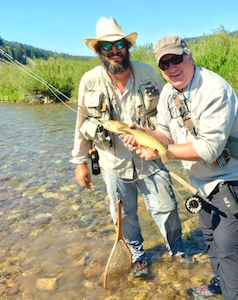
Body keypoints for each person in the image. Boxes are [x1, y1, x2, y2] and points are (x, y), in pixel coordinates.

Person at [123, 35, 238, 299]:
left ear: (190, 57)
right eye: (165, 65)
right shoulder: (168, 94)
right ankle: (221, 285)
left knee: (229, 250)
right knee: (212, 241)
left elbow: (209, 150)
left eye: (176, 60)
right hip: (202, 183)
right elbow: (164, 133)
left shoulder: (214, 90)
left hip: (232, 179)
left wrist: (161, 152)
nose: (172, 68)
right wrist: (143, 134)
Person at [71, 18, 187, 278]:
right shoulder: (89, 81)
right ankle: (138, 256)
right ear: (99, 50)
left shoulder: (147, 73)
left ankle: (177, 249)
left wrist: (181, 145)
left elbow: (171, 112)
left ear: (127, 46)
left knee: (167, 208)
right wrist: (80, 162)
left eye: (119, 44)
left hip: (151, 157)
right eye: (107, 47)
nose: (114, 51)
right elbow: (81, 123)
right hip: (112, 162)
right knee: (125, 216)